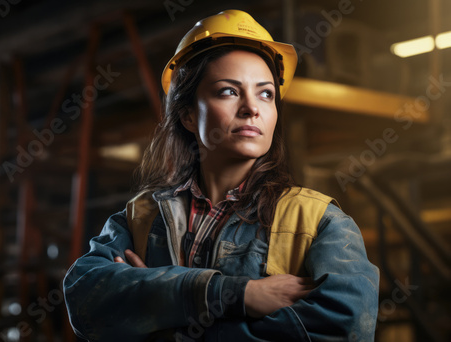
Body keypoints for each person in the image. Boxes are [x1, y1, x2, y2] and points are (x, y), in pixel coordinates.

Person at [63, 9, 379, 341]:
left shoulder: (319, 223)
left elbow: (346, 330)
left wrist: (169, 322)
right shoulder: (141, 218)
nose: (251, 107)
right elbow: (86, 297)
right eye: (228, 91)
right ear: (186, 115)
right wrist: (235, 294)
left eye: (266, 93)